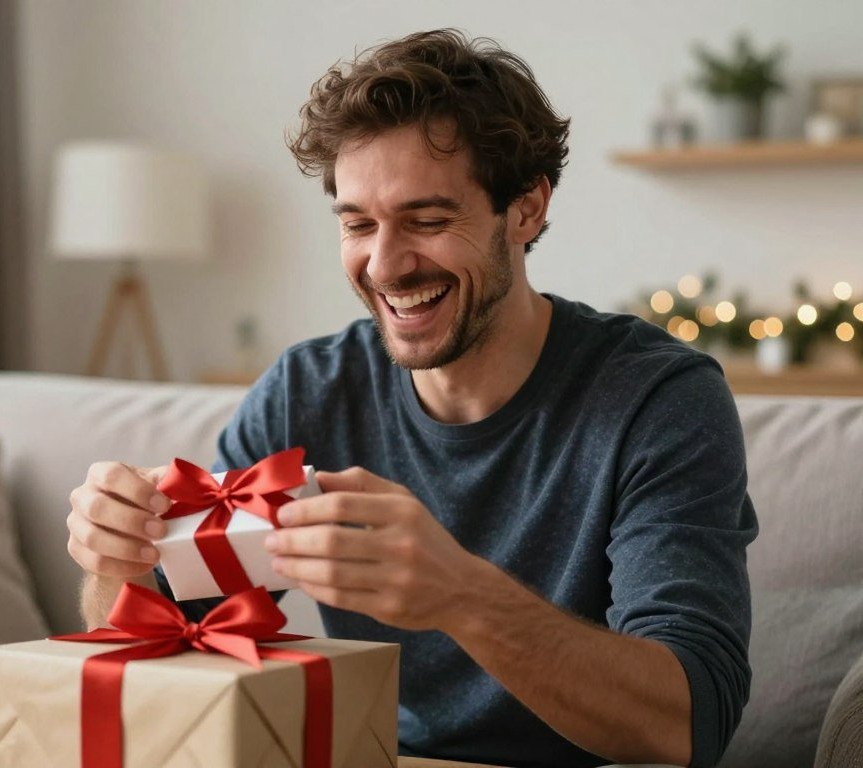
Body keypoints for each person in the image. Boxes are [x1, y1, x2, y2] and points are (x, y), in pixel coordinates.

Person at [66, 29, 757, 768]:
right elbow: (156, 642)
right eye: (358, 224)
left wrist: (461, 595)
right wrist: (123, 560)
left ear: (525, 210)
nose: (386, 264)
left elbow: (688, 722)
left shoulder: (657, 400)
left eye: (428, 221)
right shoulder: (308, 392)